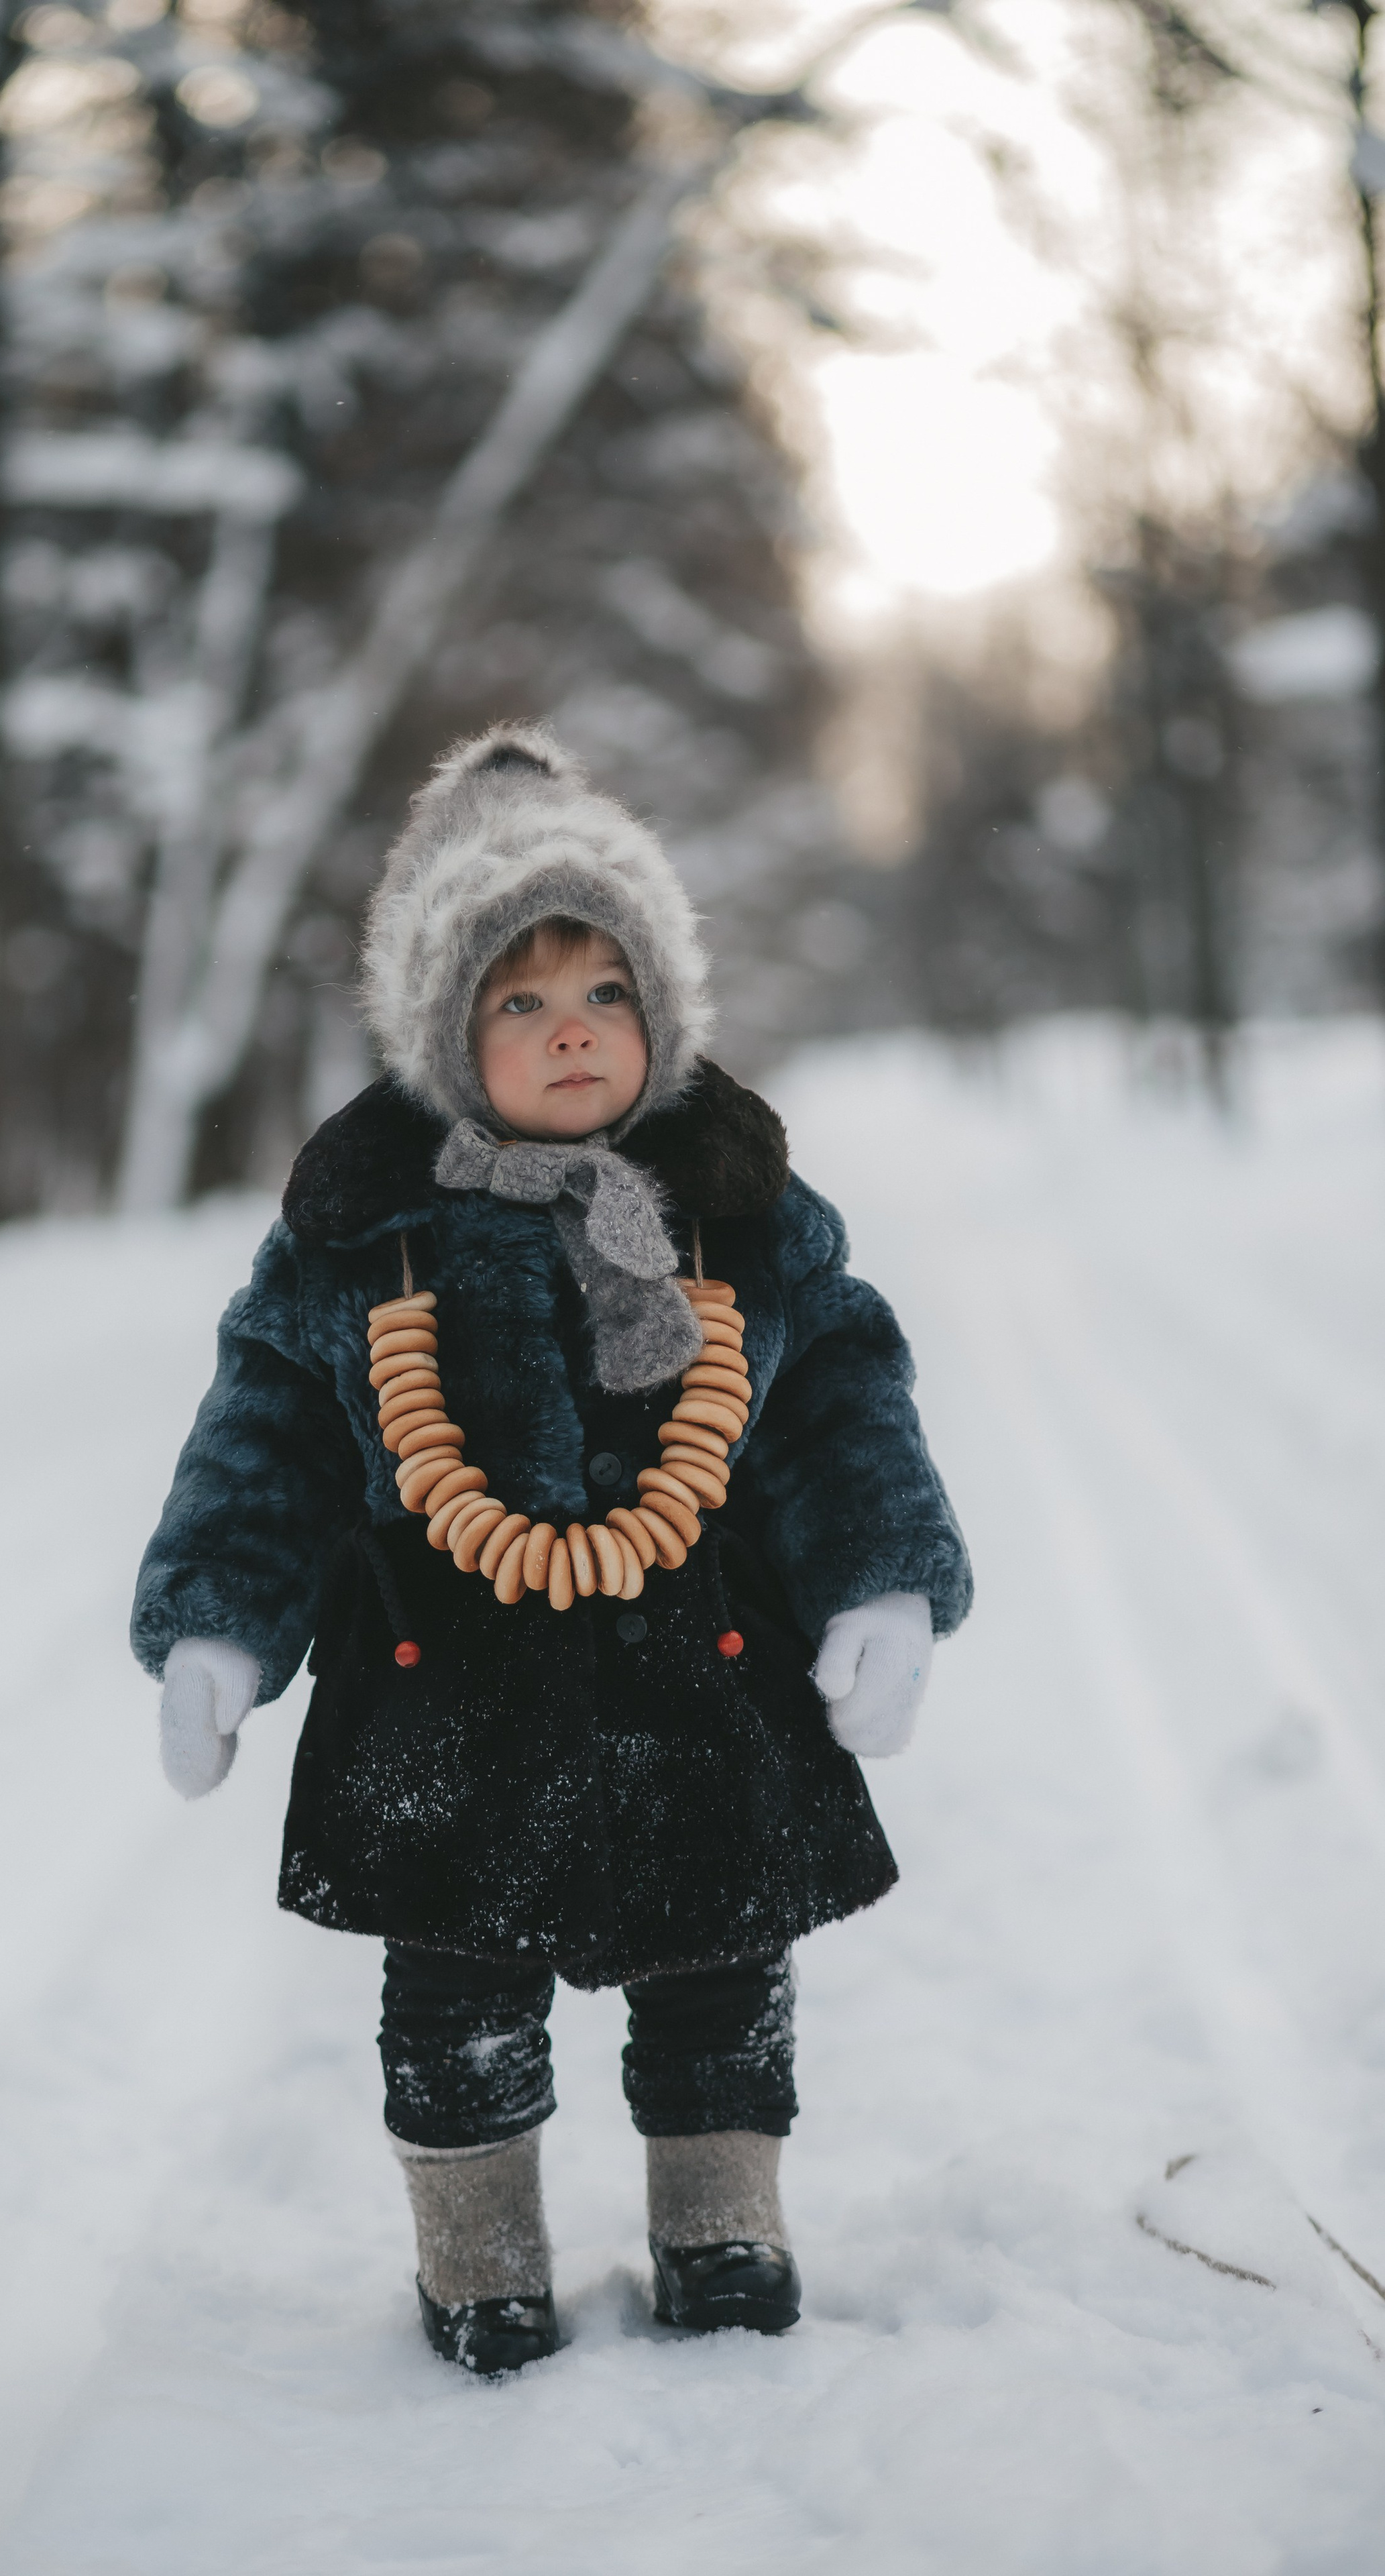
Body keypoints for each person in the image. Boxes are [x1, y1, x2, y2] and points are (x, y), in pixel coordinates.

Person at [131, 722, 972, 2375]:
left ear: (663, 1008)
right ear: (439, 1033)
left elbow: (836, 1394)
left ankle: (720, 2221)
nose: (568, 1027)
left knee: (718, 1967)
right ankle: (480, 2253)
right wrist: (220, 1625)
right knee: (454, 1991)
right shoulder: (361, 1230)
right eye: (515, 1002)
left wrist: (880, 1577)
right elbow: (268, 1438)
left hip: (699, 1668)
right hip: (440, 1684)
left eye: (602, 990)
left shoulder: (737, 1205)